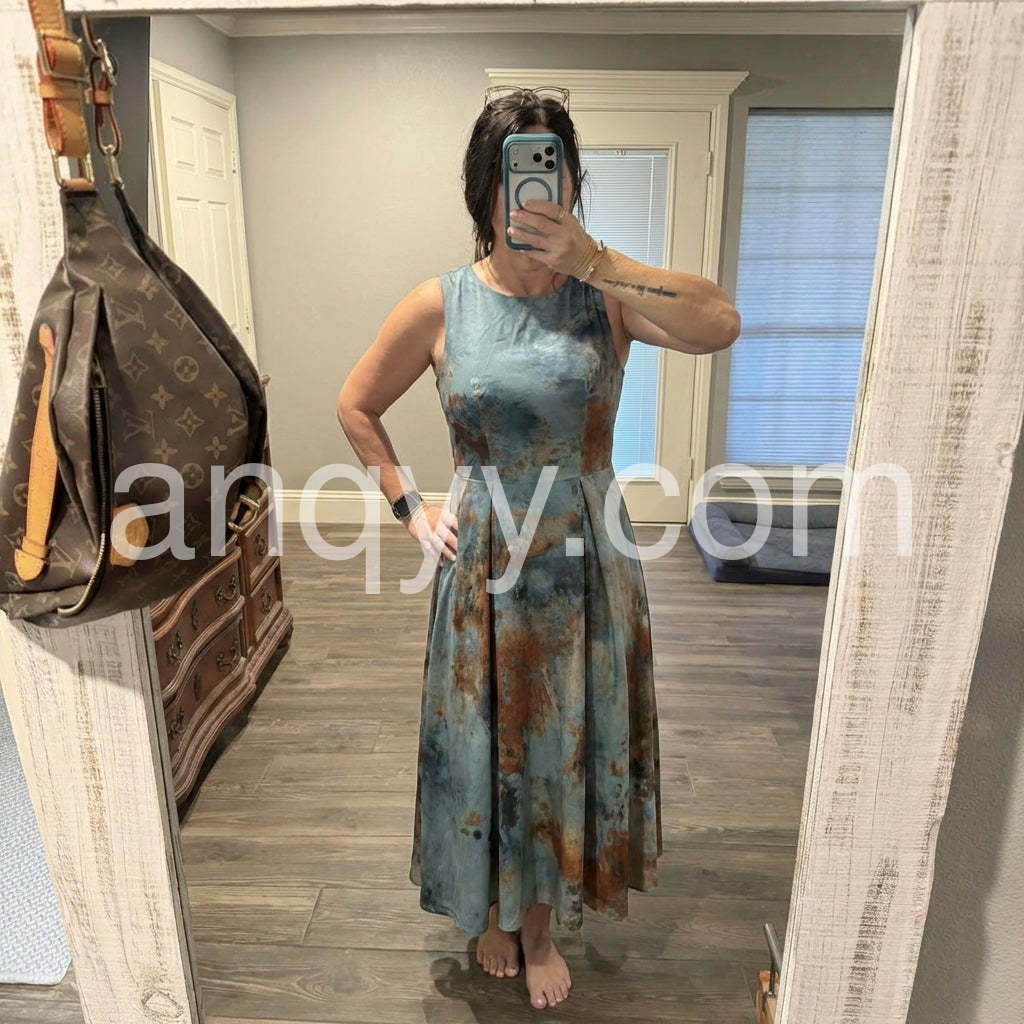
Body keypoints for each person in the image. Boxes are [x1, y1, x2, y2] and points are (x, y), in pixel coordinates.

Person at [337, 86, 740, 1011]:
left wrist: (597, 260)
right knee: (484, 740)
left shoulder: (606, 299)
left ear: (570, 183)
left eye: (551, 171)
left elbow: (719, 322)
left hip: (589, 562)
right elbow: (355, 405)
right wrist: (409, 507)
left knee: (564, 741)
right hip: (484, 561)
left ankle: (542, 924)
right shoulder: (438, 305)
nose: (532, 191)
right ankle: (491, 909)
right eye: (515, 171)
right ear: (484, 186)